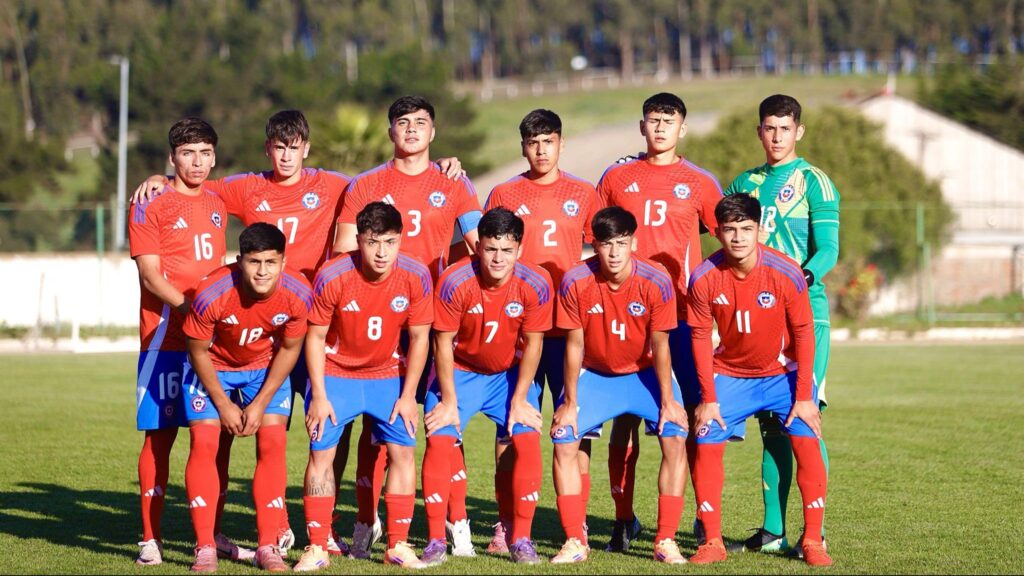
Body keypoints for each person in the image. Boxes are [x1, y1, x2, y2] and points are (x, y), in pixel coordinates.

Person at [131, 110, 464, 555]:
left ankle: (335, 525)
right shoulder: (242, 187)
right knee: (207, 434)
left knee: (332, 425)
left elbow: (386, 183)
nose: (287, 156)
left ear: (306, 148)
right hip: (253, 328)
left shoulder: (334, 184)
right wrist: (161, 177)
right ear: (267, 149)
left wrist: (442, 165)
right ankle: (203, 534)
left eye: (294, 147)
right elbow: (194, 184)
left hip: (320, 321)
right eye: (279, 147)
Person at [333, 95, 483, 558]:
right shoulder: (366, 184)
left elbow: (480, 246)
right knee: (375, 427)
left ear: (433, 132)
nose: (412, 129)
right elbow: (342, 251)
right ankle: (366, 522)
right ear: (390, 131)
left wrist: (446, 279)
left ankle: (457, 522)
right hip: (377, 320)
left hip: (433, 322)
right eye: (403, 122)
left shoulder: (454, 182)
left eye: (421, 122)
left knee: (442, 422)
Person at [595, 92, 722, 551]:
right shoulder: (617, 176)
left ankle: (701, 516)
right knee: (625, 420)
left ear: (682, 128)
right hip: (625, 316)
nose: (661, 127)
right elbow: (595, 235)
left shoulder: (701, 182)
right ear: (642, 126)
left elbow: (728, 238)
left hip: (684, 317)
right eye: (653, 120)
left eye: (670, 121)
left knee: (691, 418)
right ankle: (622, 519)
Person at [685, 193, 832, 566]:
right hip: (730, 374)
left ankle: (813, 540)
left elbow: (804, 333)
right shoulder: (703, 277)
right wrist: (708, 399)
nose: (738, 238)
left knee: (808, 439)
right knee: (704, 439)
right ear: (717, 232)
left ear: (759, 229)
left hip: (783, 375)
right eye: (730, 230)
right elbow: (699, 337)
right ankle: (712, 541)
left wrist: (804, 397)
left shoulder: (786, 272)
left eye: (746, 229)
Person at [481, 109, 603, 553]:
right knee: (512, 427)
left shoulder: (583, 192)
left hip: (570, 330)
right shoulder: (504, 193)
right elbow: (491, 255)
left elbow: (602, 253)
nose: (540, 150)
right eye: (532, 143)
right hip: (520, 331)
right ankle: (506, 523)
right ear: (523, 147)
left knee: (576, 427)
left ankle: (577, 522)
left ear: (561, 144)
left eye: (548, 141)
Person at [723, 94, 840, 555]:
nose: (776, 137)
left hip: (806, 315)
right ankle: (774, 532)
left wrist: (799, 279)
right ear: (759, 131)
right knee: (771, 425)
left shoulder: (815, 181)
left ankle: (815, 534)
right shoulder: (744, 182)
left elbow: (828, 249)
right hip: (758, 318)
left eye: (785, 129)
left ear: (798, 132)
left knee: (802, 418)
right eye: (769, 128)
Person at [129, 117, 249, 566]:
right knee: (159, 438)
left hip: (212, 342)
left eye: (204, 153)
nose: (196, 162)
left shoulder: (218, 197)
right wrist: (191, 308)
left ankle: (211, 534)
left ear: (214, 157)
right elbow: (149, 275)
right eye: (186, 153)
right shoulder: (150, 202)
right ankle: (150, 538)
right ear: (172, 157)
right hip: (165, 338)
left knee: (215, 441)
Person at [294, 202, 433, 571]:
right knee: (321, 456)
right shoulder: (333, 274)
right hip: (336, 376)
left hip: (388, 377)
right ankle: (317, 546)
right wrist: (318, 395)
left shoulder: (416, 274)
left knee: (403, 454)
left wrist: (408, 396)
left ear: (401, 238)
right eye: (373, 242)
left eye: (389, 242)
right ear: (358, 240)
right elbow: (315, 336)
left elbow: (420, 338)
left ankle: (397, 545)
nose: (382, 252)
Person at [549, 206, 690, 565]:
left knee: (676, 434)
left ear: (633, 243)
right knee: (564, 438)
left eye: (621, 243)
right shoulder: (576, 280)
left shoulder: (656, 280)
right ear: (594, 245)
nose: (614, 253)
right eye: (606, 244)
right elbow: (574, 345)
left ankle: (666, 540)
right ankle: (575, 540)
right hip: (596, 374)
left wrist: (669, 401)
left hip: (644, 374)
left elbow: (661, 345)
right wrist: (569, 403)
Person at [420, 207, 552, 566]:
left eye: (507, 250)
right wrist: (448, 401)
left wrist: (521, 399)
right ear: (478, 246)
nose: (498, 258)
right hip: (459, 372)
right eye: (491, 249)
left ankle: (520, 538)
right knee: (439, 438)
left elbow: (534, 344)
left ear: (519, 249)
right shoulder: (455, 280)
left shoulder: (536, 282)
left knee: (527, 439)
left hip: (507, 377)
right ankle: (435, 540)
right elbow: (441, 344)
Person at [181, 223, 312, 572]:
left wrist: (259, 403)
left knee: (273, 443)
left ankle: (268, 546)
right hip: (213, 368)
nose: (262, 271)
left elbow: (290, 348)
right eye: (254, 262)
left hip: (263, 369)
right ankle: (205, 546)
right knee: (204, 444)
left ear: (283, 262)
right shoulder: (212, 292)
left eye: (271, 262)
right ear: (239, 261)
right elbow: (197, 350)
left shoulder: (299, 292)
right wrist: (223, 404)